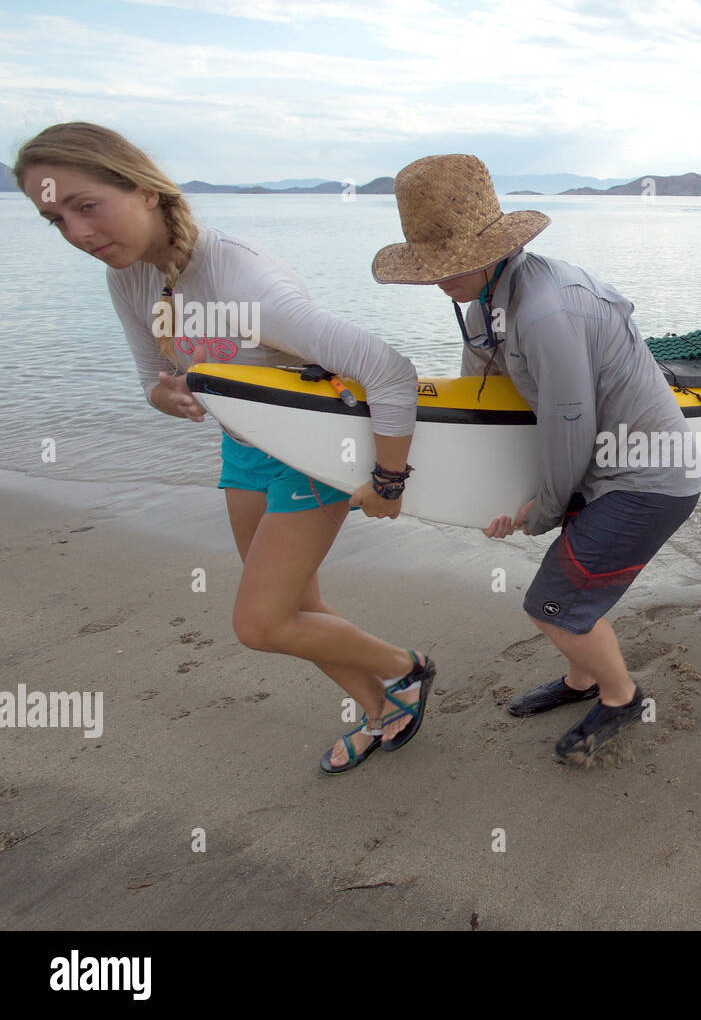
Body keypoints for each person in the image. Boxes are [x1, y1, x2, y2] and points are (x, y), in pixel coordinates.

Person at [15, 122, 434, 776]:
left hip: (312, 450)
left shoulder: (241, 278)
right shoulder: (128, 279)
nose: (76, 233)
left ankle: (408, 667)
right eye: (53, 219)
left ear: (146, 190)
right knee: (298, 607)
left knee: (261, 622)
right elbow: (150, 382)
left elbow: (388, 371)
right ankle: (382, 709)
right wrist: (172, 397)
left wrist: (389, 480)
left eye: (85, 205)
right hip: (243, 448)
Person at [372, 154, 701, 760]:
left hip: (649, 476)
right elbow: (492, 415)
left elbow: (567, 424)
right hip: (598, 469)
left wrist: (541, 511)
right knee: (567, 592)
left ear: (489, 252)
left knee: (551, 604)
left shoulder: (546, 312)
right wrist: (495, 498)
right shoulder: (484, 305)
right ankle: (581, 680)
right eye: (429, 268)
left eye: (445, 266)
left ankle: (621, 697)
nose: (436, 280)